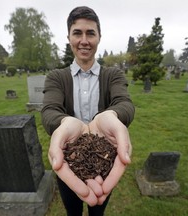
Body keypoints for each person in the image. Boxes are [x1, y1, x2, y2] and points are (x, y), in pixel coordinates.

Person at [41, 6, 135, 216]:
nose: (84, 40)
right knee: (72, 211)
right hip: (68, 156)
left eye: (90, 33)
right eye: (77, 33)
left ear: (99, 37)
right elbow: (49, 111)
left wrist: (110, 115)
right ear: (69, 37)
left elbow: (124, 103)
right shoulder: (56, 77)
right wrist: (66, 123)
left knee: (97, 209)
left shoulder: (113, 75)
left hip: (103, 162)